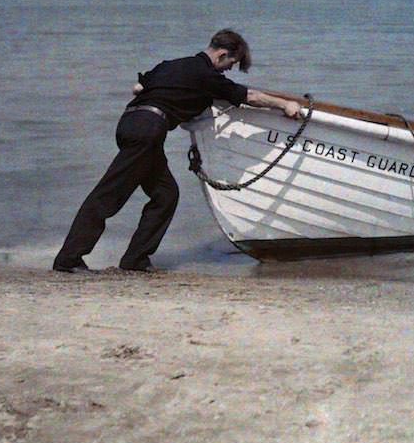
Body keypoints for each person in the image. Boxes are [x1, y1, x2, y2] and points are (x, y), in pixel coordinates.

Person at [52, 29, 301, 274]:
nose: (228, 70)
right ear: (222, 54)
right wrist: (285, 104)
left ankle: (135, 260)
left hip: (131, 124)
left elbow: (137, 88)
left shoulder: (171, 65)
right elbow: (251, 96)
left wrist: (177, 95)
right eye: (231, 64)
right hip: (148, 130)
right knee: (108, 196)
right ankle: (68, 259)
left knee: (166, 195)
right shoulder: (207, 75)